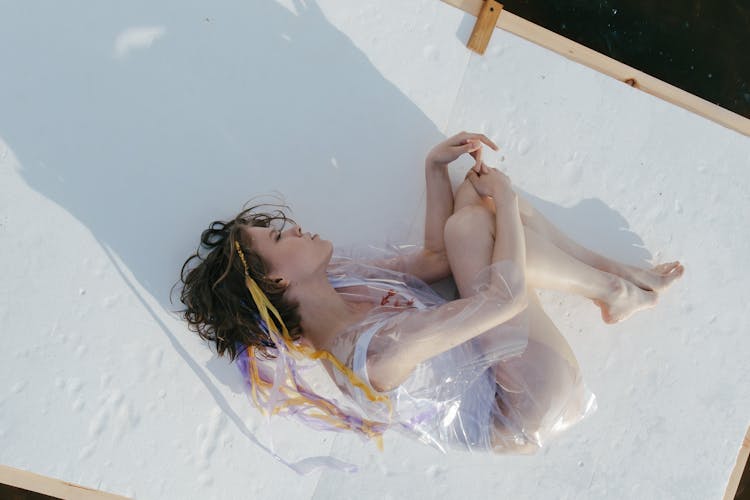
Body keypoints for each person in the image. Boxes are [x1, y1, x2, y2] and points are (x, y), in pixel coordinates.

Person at [177, 131, 684, 456]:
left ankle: (611, 276)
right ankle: (614, 288)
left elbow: (432, 262)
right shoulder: (372, 351)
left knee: (470, 198)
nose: (297, 229)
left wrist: (433, 169)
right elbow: (502, 300)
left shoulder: (338, 280)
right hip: (527, 402)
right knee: (474, 224)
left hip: (492, 357)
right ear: (277, 282)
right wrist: (506, 200)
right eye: (281, 237)